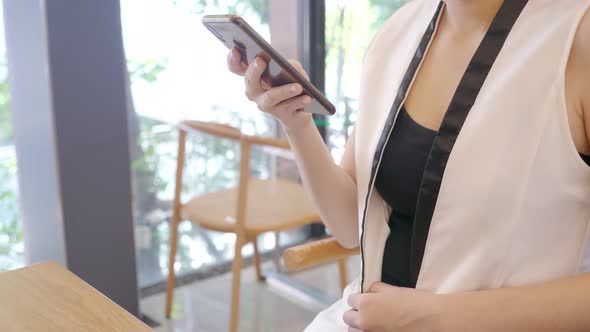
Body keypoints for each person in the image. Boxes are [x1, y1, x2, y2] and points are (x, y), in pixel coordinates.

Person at [228, 0, 590, 331]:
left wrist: (434, 316)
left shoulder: (576, 37)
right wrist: (296, 122)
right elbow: (349, 226)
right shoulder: (397, 33)